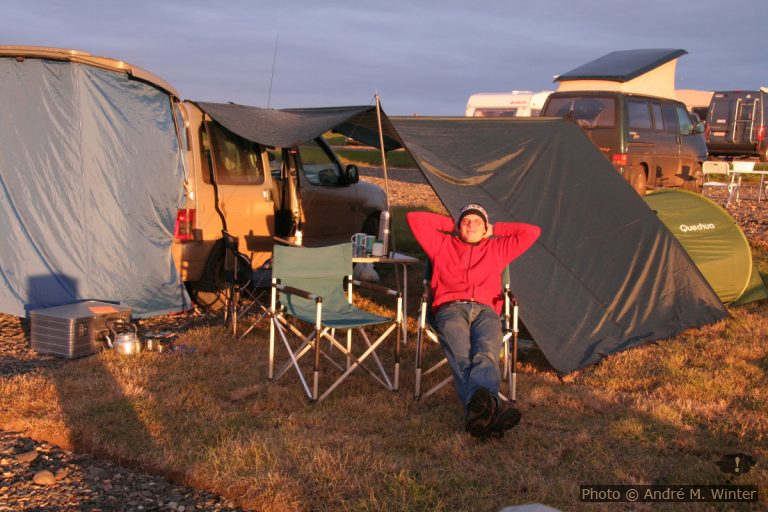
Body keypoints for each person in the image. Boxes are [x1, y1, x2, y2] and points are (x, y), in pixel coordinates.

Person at [407, 204, 540, 439]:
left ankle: (478, 415)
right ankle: (491, 409)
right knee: (462, 354)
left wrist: (496, 229)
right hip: (451, 308)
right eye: (466, 221)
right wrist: (452, 226)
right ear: (459, 225)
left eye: (477, 221)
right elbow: (414, 218)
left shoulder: (498, 248)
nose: (471, 225)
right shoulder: (441, 245)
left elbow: (532, 232)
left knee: (486, 352)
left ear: (485, 227)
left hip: (486, 311)